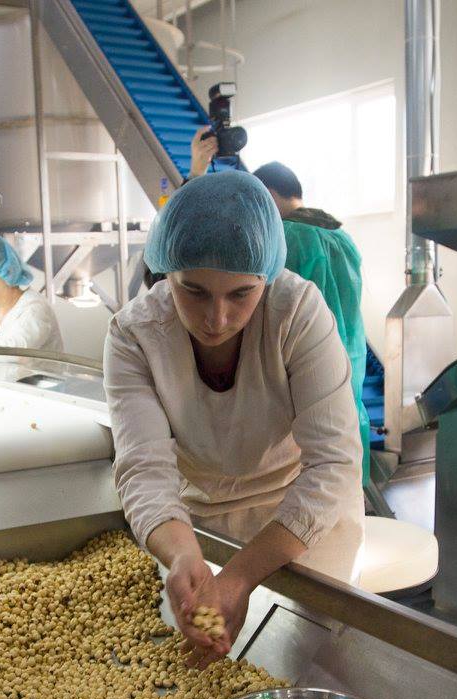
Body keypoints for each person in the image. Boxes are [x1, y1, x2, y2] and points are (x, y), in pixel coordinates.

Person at [104, 169, 363, 663]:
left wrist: (241, 577)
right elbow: (143, 467)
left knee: (308, 663)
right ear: (166, 273)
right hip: (201, 522)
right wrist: (182, 554)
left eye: (241, 294)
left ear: (266, 278)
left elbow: (333, 465)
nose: (216, 318)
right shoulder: (135, 335)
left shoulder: (296, 313)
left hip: (305, 521)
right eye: (194, 291)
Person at [193, 139, 372, 487]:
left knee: (298, 478)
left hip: (297, 373)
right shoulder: (341, 237)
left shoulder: (285, 239)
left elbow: (269, 312)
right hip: (347, 367)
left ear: (269, 196)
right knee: (336, 467)